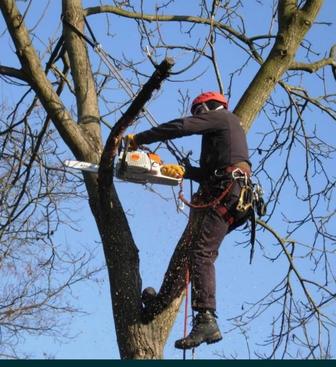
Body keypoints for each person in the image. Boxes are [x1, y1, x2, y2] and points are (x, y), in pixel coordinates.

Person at [127, 91, 252, 350]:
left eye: (199, 113)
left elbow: (182, 127)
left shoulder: (223, 118)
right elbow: (208, 174)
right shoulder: (222, 140)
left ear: (209, 107)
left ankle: (206, 318)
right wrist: (184, 171)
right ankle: (159, 305)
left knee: (201, 252)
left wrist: (139, 138)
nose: (197, 118)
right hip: (227, 195)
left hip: (228, 194)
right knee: (189, 253)